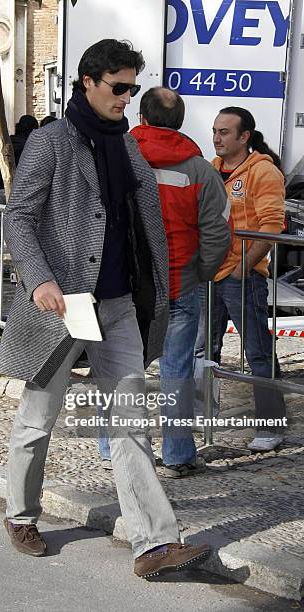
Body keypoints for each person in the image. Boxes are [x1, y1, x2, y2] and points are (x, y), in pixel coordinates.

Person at [0, 39, 211, 577]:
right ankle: (20, 514)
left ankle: (153, 544)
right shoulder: (51, 142)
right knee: (39, 419)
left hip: (117, 306)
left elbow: (144, 224)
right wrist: (41, 279)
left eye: (132, 89)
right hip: (64, 304)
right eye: (119, 87)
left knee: (131, 423)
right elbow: (18, 217)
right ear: (87, 82)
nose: (126, 98)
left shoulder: (127, 146)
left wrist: (161, 285)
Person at [129, 88, 230, 476]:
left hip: (130, 287)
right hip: (180, 285)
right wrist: (199, 272)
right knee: (177, 371)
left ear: (141, 117)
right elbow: (219, 231)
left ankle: (113, 448)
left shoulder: (120, 157)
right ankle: (177, 454)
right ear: (181, 122)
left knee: (123, 368)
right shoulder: (200, 169)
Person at [210, 106, 286, 452]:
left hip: (242, 278)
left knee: (257, 353)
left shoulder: (263, 172)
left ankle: (271, 426)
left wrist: (242, 268)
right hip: (210, 275)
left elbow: (271, 227)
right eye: (215, 131)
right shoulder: (212, 169)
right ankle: (201, 419)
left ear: (244, 137)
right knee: (203, 350)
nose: (216, 138)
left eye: (225, 132)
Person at [0, 115, 38, 283]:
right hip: (20, 193)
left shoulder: (6, 142)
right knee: (18, 233)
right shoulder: (32, 146)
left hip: (1, 191)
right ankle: (15, 272)